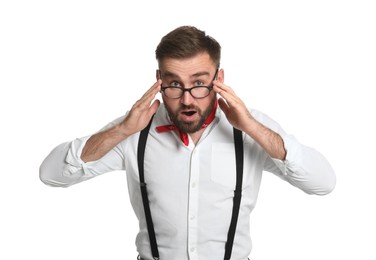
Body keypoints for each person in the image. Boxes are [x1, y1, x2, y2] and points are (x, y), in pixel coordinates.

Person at [40, 25, 336, 260]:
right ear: (159, 80)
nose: (186, 99)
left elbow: (322, 182)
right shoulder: (136, 127)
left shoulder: (250, 126)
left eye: (198, 83)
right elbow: (51, 174)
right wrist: (122, 130)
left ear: (218, 78)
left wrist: (253, 128)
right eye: (174, 84)